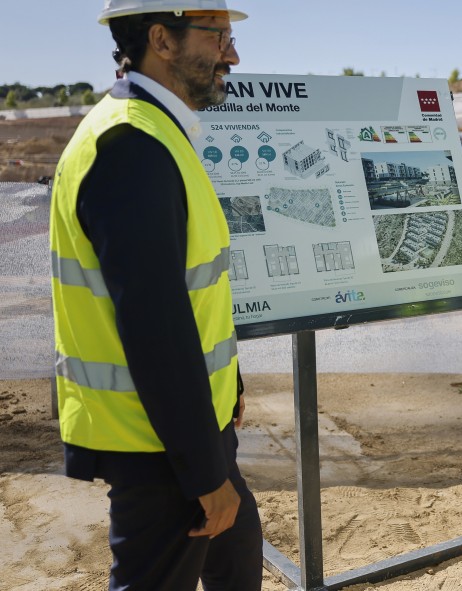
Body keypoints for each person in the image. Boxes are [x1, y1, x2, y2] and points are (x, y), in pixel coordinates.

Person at [49, 1, 262, 589]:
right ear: (162, 40)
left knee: (238, 554)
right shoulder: (130, 146)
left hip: (187, 427)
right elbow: (154, 326)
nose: (233, 54)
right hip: (157, 444)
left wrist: (229, 386)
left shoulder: (154, 131)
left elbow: (186, 290)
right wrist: (204, 474)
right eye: (217, 36)